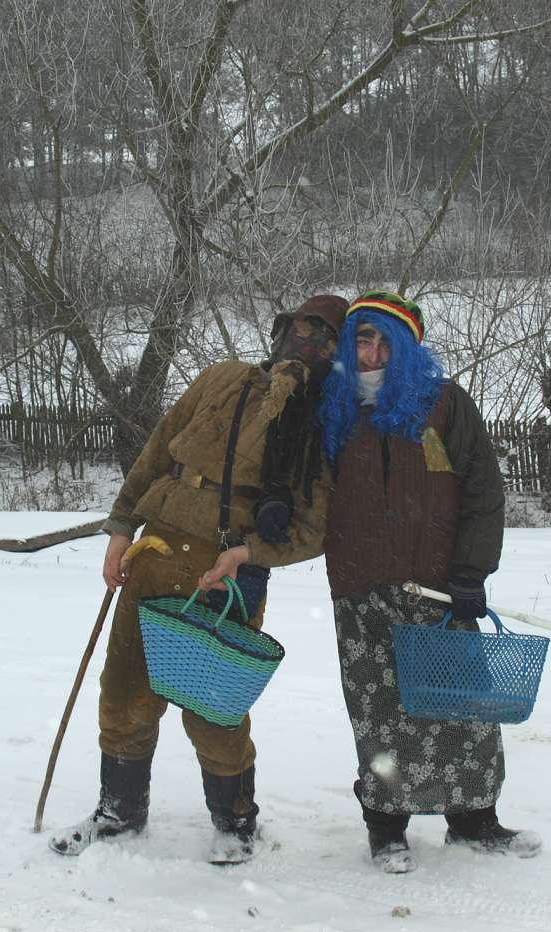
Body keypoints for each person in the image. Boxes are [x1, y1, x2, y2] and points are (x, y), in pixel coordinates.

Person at [48, 294, 347, 864]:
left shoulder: (318, 426)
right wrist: (120, 527)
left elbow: (311, 530)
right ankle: (119, 810)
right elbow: (157, 453)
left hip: (225, 576)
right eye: (303, 328)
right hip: (157, 550)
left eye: (326, 338)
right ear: (283, 329)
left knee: (213, 704)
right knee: (126, 686)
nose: (309, 343)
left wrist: (248, 552)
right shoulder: (222, 377)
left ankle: (235, 822)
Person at [318, 290, 541, 874]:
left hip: (438, 587)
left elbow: (481, 492)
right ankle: (386, 828)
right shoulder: (333, 407)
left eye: (384, 340)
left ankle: (473, 821)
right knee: (379, 711)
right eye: (362, 338)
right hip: (361, 586)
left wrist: (471, 571)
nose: (371, 352)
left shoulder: (443, 405)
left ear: (410, 348)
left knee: (462, 706)